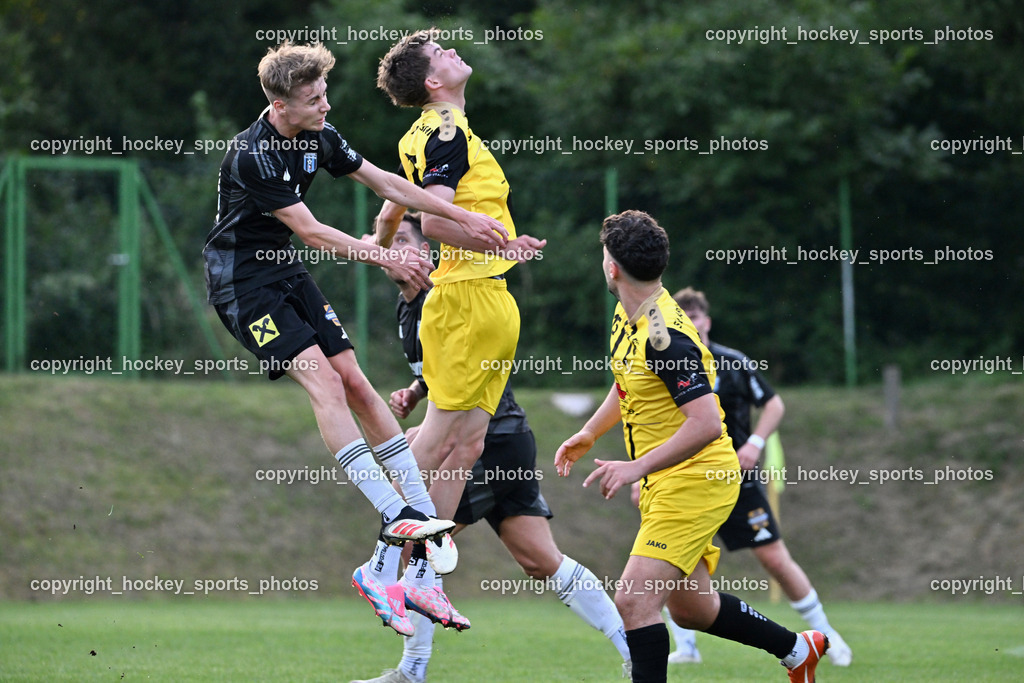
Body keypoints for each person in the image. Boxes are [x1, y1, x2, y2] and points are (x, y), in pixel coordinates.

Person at [202, 41, 511, 637]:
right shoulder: (254, 155)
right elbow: (313, 231)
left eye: (324, 94)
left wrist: (467, 220)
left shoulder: (319, 131)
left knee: (361, 387)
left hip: (283, 271)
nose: (325, 105)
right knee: (324, 382)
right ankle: (396, 513)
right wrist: (381, 257)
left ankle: (417, 532)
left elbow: (386, 183)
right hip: (242, 284)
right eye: (313, 99)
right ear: (279, 103)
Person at [350, 214, 630, 683]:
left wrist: (416, 437)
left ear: (428, 253)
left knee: (415, 544)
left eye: (404, 240)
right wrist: (417, 393)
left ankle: (411, 671)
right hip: (502, 440)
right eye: (390, 241)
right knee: (540, 560)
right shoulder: (409, 310)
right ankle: (635, 643)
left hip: (488, 442)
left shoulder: (444, 300)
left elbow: (462, 398)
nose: (393, 248)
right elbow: (447, 379)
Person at [554, 210, 829, 683]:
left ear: (613, 267)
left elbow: (704, 423)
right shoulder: (629, 313)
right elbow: (629, 384)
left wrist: (634, 466)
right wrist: (591, 432)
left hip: (698, 479)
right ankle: (796, 649)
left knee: (634, 601)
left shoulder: (668, 339)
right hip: (669, 478)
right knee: (691, 609)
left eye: (603, 255)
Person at [368, 30, 546, 621]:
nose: (454, 51)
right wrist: (471, 235)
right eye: (443, 52)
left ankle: (421, 574)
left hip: (485, 297)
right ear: (432, 83)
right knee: (439, 438)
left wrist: (385, 247)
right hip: (466, 302)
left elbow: (395, 208)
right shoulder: (443, 129)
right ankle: (379, 564)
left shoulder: (435, 132)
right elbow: (437, 221)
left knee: (466, 447)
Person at [656, 287, 853, 668]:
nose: (691, 325)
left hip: (737, 483)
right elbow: (656, 424)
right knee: (669, 561)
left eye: (696, 318)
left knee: (776, 560)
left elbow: (774, 404)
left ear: (707, 321)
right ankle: (687, 647)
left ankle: (828, 636)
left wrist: (756, 443)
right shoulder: (672, 363)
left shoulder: (732, 362)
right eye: (684, 318)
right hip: (685, 484)